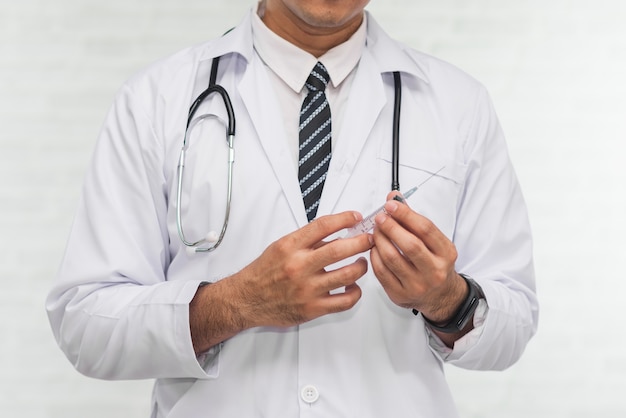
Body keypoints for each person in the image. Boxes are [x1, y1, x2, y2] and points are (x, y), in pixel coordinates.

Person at [46, 1, 538, 417]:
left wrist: (448, 300)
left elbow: (514, 321)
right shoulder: (157, 101)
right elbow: (85, 323)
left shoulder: (458, 106)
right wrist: (237, 303)